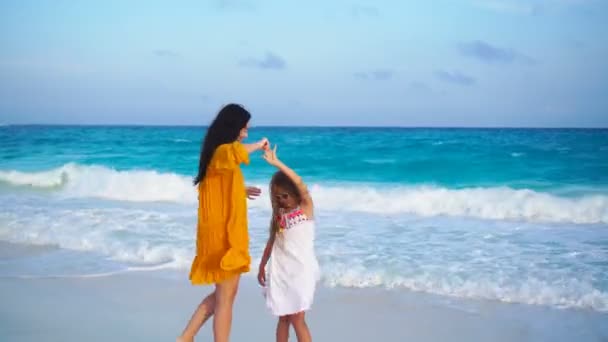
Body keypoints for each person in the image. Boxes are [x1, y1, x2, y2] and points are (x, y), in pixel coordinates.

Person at [178, 103, 268, 342]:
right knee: (226, 298)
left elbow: (219, 186)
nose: (246, 133)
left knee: (223, 296)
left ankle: (185, 338)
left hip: (219, 233)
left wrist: (240, 189)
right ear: (233, 127)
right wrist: (259, 145)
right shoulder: (222, 151)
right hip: (225, 237)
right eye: (244, 128)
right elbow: (234, 153)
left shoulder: (216, 154)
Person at [258, 145, 320, 342]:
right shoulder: (279, 216)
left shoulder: (305, 208)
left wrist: (277, 163)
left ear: (294, 193)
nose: (282, 200)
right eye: (277, 197)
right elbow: (271, 241)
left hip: (301, 271)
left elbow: (299, 182)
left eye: (285, 196)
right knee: (283, 317)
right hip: (281, 271)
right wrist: (261, 264)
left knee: (298, 318)